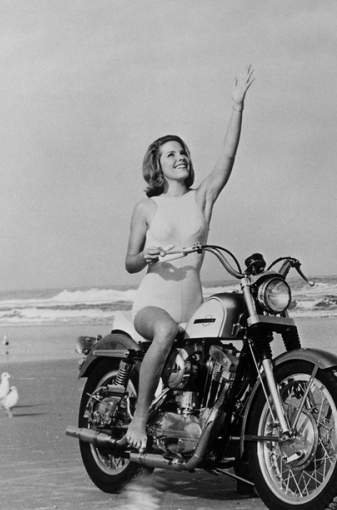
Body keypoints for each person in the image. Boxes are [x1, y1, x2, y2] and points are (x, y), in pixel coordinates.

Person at [122, 66, 255, 451]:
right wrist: (143, 254)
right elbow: (130, 262)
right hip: (153, 302)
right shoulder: (147, 207)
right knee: (164, 332)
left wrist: (237, 106)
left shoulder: (202, 198)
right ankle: (139, 419)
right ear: (157, 165)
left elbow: (227, 156)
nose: (179, 157)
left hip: (192, 303)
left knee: (225, 354)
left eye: (182, 152)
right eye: (170, 154)